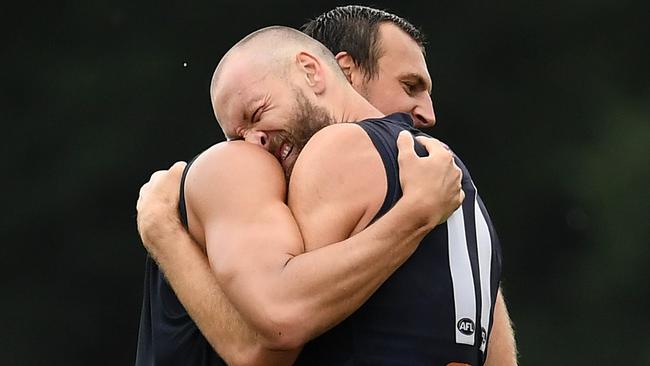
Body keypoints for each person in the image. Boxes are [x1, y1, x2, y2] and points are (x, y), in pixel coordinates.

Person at [138, 6, 515, 366]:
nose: (253, 144)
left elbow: (275, 328)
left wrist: (163, 231)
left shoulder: (339, 149)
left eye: (256, 113)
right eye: (236, 136)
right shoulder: (462, 190)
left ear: (313, 71)